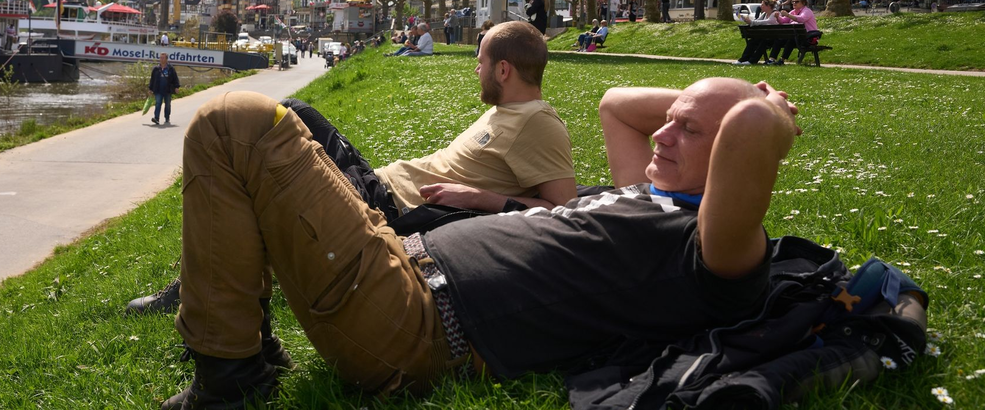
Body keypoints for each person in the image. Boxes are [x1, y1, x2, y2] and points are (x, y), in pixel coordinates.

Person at [160, 76, 799, 409]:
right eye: (671, 120)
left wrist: (767, 109)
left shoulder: (713, 251)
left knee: (233, 124)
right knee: (285, 122)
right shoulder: (653, 192)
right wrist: (706, 106)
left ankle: (230, 382)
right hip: (397, 262)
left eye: (686, 131)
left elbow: (743, 129)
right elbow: (616, 103)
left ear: (736, 159)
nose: (661, 134)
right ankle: (244, 356)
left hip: (409, 324)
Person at [130, 21, 576, 312]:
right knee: (288, 111)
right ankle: (203, 284)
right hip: (375, 182)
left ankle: (196, 292)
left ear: (502, 71)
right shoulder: (507, 113)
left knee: (261, 163)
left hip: (385, 209)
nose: (473, 71)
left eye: (478, 63)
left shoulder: (538, 122)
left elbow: (564, 212)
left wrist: (484, 199)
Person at [768, 0, 821, 65]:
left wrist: (788, 15)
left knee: (791, 39)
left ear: (803, 3)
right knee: (779, 39)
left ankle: (782, 60)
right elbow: (783, 21)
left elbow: (801, 19)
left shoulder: (807, 11)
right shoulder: (793, 12)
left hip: (808, 38)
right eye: (793, 1)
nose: (794, 3)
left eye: (796, 1)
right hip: (797, 37)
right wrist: (778, 17)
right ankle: (772, 59)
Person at [734, 0, 779, 65]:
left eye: (763, 5)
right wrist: (747, 20)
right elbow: (757, 21)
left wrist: (752, 22)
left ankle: (752, 61)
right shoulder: (764, 14)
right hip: (765, 36)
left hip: (773, 38)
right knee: (752, 41)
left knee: (763, 42)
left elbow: (768, 22)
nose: (761, 6)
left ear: (769, 6)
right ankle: (743, 59)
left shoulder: (775, 14)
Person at [147, 53, 181, 125]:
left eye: (163, 58)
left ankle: (167, 117)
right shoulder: (156, 69)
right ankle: (156, 118)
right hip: (158, 90)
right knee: (158, 103)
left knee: (167, 104)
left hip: (167, 90)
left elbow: (175, 79)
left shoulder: (171, 69)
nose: (161, 59)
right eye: (160, 58)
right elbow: (152, 80)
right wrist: (150, 89)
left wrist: (176, 87)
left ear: (166, 59)